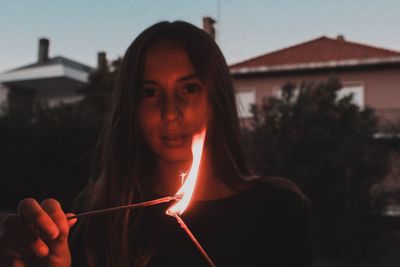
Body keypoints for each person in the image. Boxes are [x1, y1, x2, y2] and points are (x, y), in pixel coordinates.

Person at [0, 21, 313, 267]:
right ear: (130, 108)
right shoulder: (96, 225)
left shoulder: (278, 209)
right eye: (150, 91)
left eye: (189, 88)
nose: (170, 112)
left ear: (216, 99)